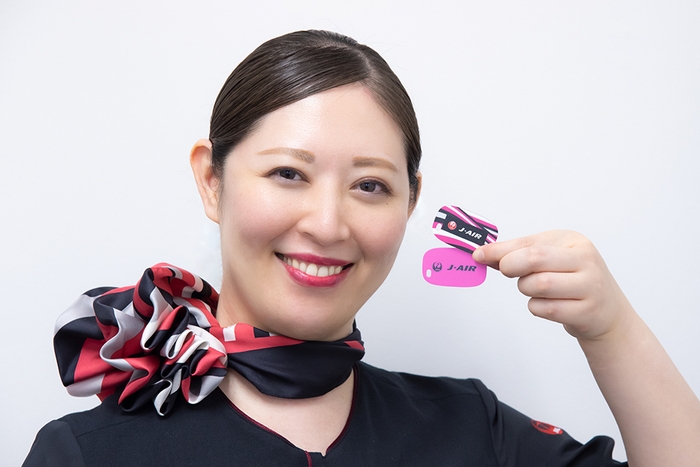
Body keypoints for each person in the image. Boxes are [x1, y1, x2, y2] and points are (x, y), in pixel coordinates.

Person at [23, 30, 700, 466]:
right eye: (288, 173)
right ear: (211, 180)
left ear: (411, 200)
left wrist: (611, 329)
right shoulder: (85, 453)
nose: (327, 224)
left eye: (370, 185)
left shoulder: (474, 429)